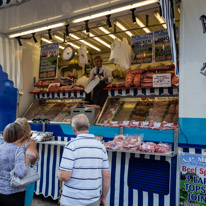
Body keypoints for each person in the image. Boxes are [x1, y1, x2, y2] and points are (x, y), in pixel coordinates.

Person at [57, 114, 110, 206]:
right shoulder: (101, 146)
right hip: (93, 200)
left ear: (73, 129)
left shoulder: (71, 146)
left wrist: (59, 174)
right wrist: (103, 197)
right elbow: (106, 176)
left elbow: (65, 176)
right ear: (89, 126)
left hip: (71, 202)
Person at [0, 123, 29, 206]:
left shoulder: (1, 148)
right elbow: (21, 173)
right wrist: (26, 161)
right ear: (19, 135)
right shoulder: (18, 151)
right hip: (14, 193)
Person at [15, 117, 39, 206]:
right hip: (25, 181)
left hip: (11, 181)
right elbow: (33, 155)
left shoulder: (11, 140)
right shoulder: (29, 142)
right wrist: (26, 163)